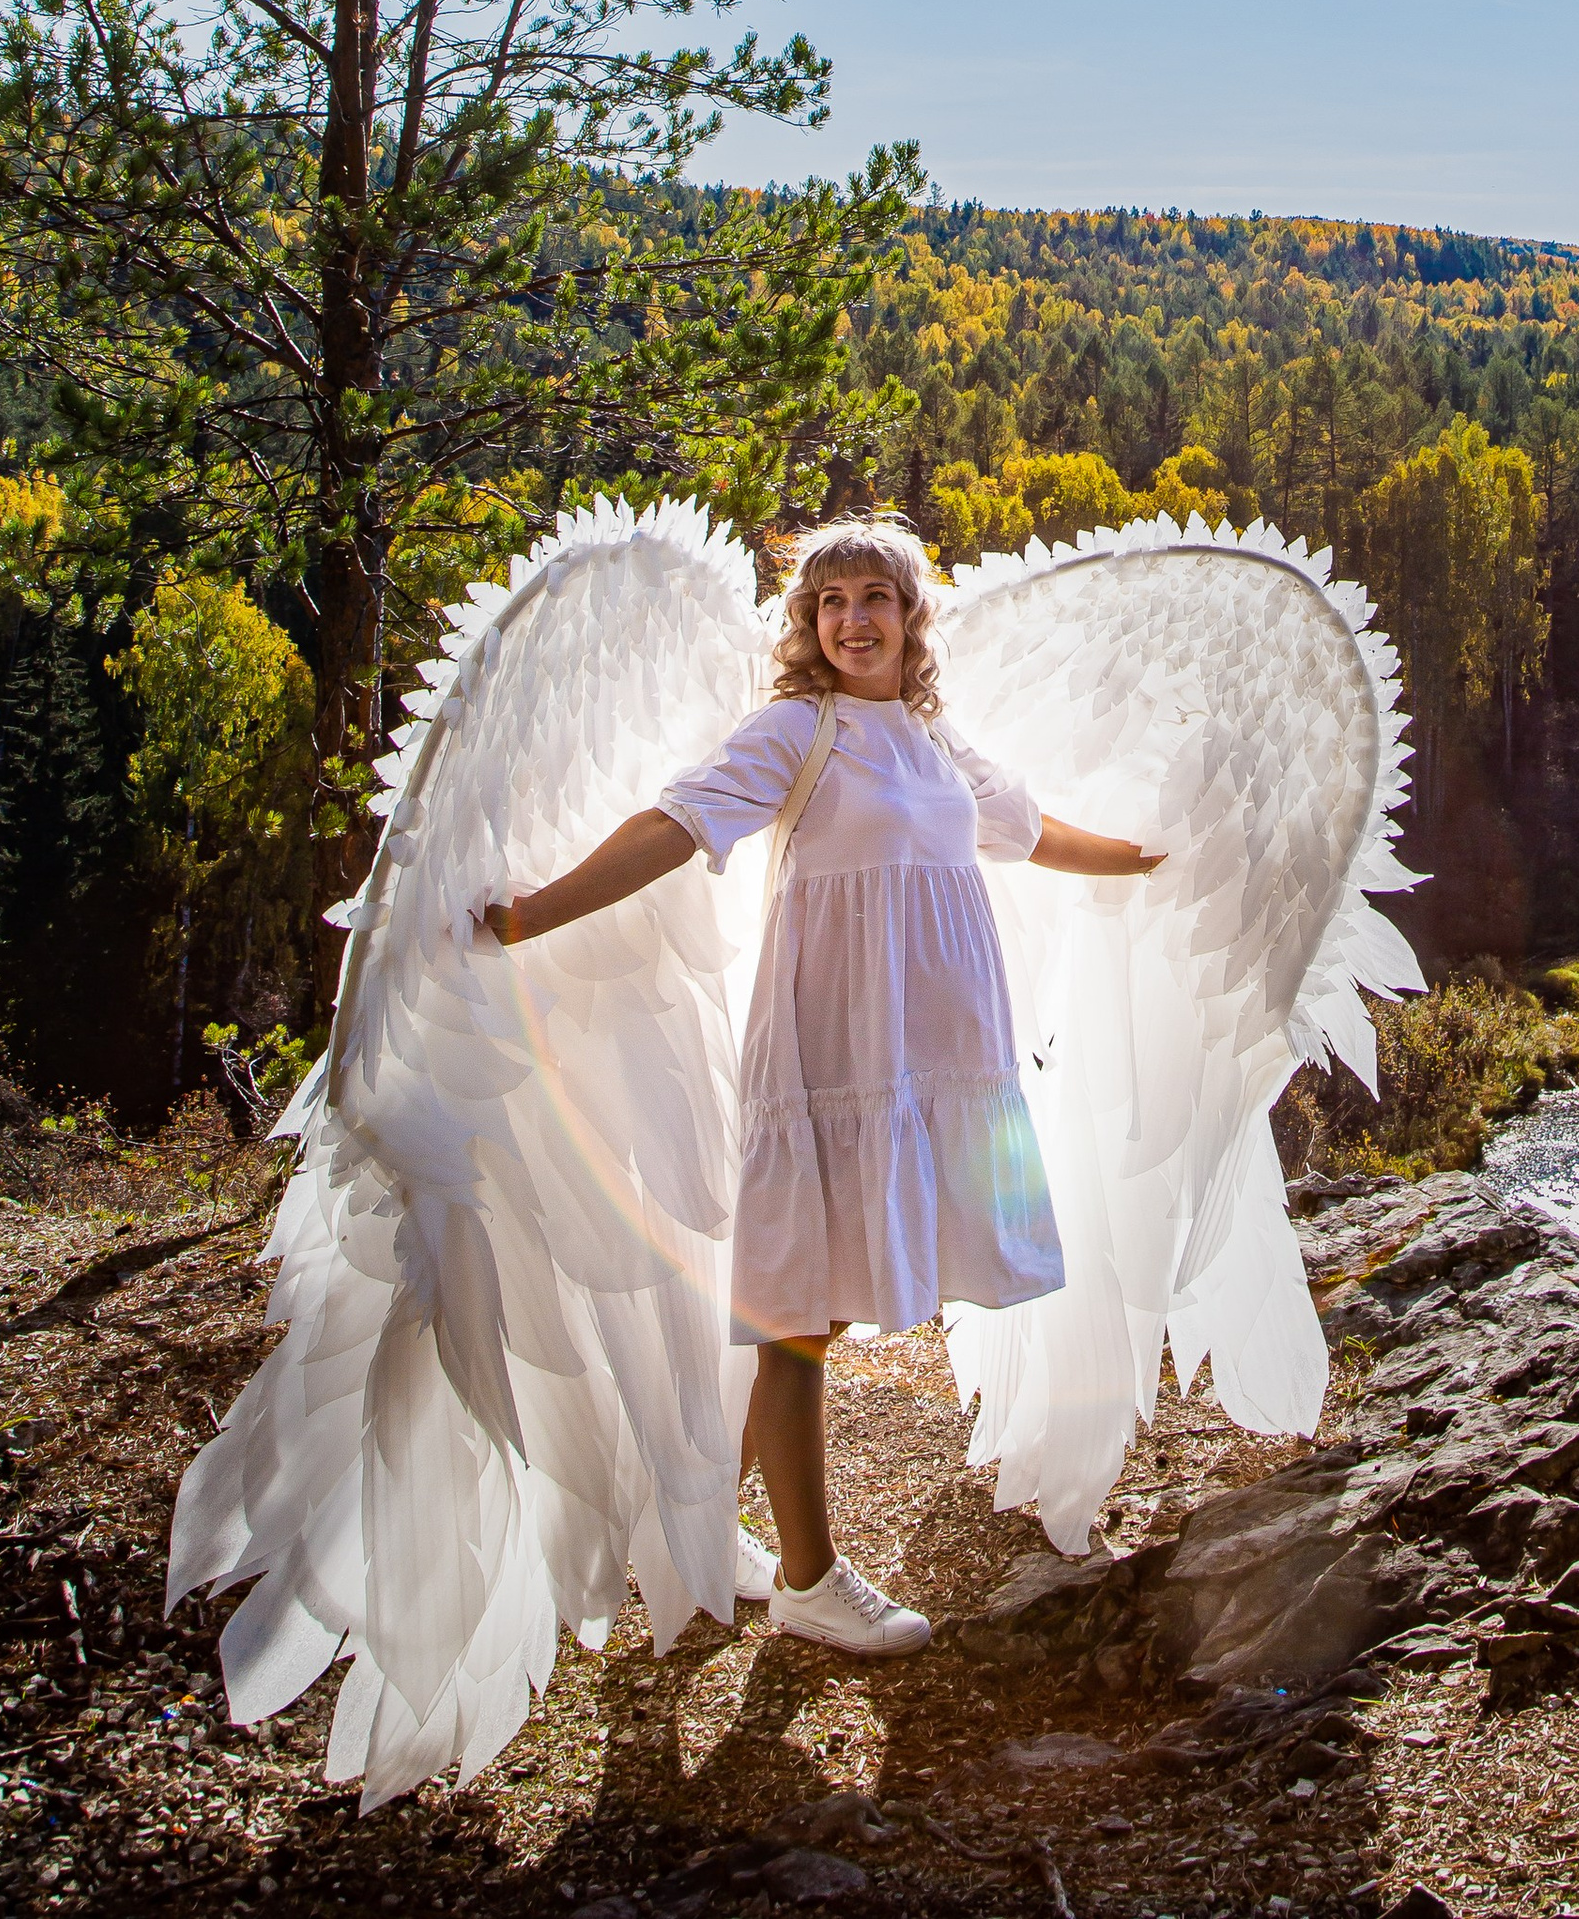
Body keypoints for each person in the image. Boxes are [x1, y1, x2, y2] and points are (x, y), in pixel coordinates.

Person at [481, 515, 1160, 1656]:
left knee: (821, 1310)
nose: (852, 619)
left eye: (873, 597)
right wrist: (534, 913)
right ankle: (807, 1576)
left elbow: (1033, 831)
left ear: (910, 615)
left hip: (928, 1058)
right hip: (830, 1054)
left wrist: (1147, 858)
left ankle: (698, 1526)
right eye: (830, 600)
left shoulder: (935, 738)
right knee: (795, 1313)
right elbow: (675, 822)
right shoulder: (801, 728)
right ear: (807, 622)